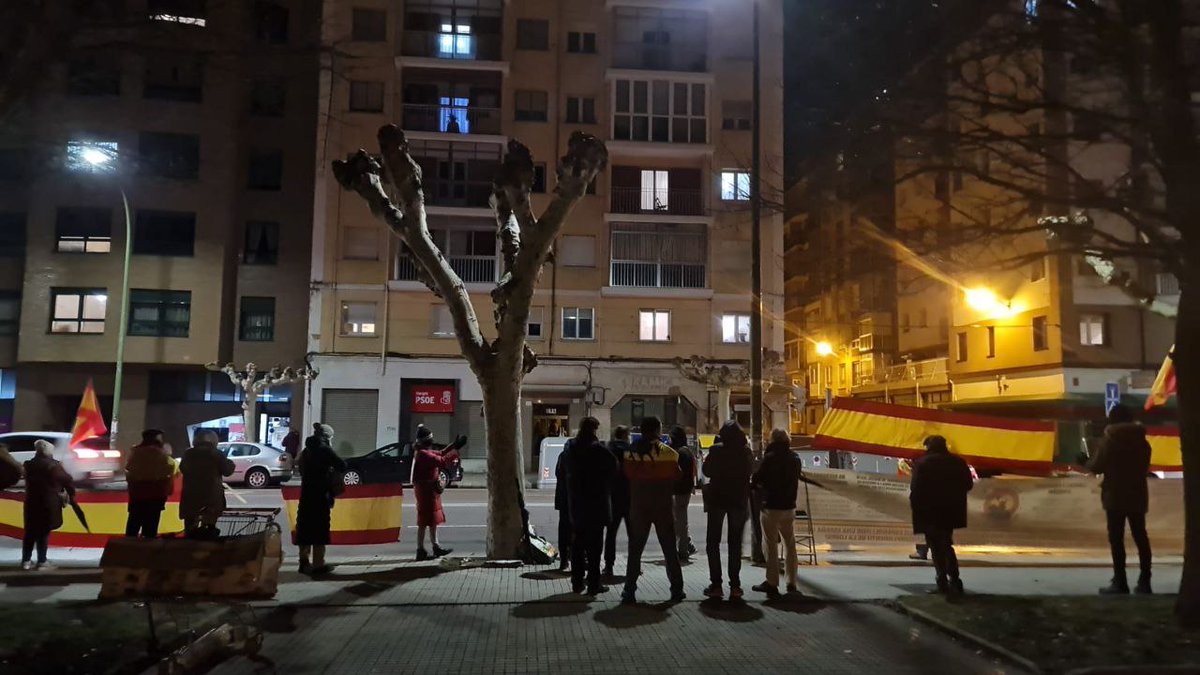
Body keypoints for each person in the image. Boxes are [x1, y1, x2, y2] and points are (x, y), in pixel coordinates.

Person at [1088, 404, 1153, 594]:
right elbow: (1144, 466)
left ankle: (1120, 581)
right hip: (1138, 493)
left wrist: (1085, 460)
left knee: (1116, 539)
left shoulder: (1110, 441)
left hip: (1115, 494)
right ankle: (1145, 581)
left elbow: (1097, 466)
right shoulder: (1143, 442)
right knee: (1140, 536)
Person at [621, 417, 685, 605]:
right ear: (658, 430)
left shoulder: (629, 454)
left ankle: (629, 591)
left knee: (635, 551)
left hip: (639, 507)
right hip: (662, 507)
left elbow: (626, 475)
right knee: (669, 551)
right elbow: (678, 476)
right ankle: (677, 590)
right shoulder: (670, 454)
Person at [909, 435, 974, 598]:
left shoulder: (923, 463)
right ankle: (955, 581)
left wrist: (917, 507)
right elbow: (968, 484)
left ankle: (943, 582)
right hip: (951, 511)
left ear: (929, 447)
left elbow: (915, 488)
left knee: (936, 547)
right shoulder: (958, 462)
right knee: (946, 544)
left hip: (930, 511)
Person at [562, 417, 618, 595]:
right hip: (596, 505)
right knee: (594, 549)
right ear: (594, 430)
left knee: (578, 545)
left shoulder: (570, 448)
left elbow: (563, 471)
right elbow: (614, 468)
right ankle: (594, 584)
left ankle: (577, 582)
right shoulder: (599, 450)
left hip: (577, 505)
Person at [701, 420, 753, 600]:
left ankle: (716, 585)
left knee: (713, 542)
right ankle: (735, 586)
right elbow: (749, 471)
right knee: (735, 543)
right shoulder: (746, 452)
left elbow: (706, 471)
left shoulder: (716, 450)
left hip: (717, 499)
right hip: (738, 501)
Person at [751, 429, 803, 597]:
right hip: (789, 507)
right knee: (790, 544)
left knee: (770, 545)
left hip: (771, 507)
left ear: (772, 439)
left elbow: (758, 479)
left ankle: (772, 583)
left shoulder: (770, 458)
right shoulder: (795, 459)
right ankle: (792, 582)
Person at [296, 424, 346, 575]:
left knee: (304, 528)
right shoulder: (325, 450)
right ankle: (318, 564)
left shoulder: (306, 451)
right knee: (320, 528)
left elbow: (300, 467)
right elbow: (342, 465)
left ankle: (303, 562)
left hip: (306, 494)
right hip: (320, 494)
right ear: (326, 437)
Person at [22, 440, 74, 570]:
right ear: (49, 451)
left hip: (31, 502)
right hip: (48, 503)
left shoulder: (28, 465)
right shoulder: (54, 466)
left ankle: (26, 562)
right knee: (43, 533)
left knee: (30, 532)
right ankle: (42, 561)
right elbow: (67, 479)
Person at [412, 426, 458, 560]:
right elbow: (442, 460)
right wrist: (455, 450)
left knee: (431, 520)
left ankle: (434, 546)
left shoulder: (422, 451)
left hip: (429, 490)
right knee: (425, 520)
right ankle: (421, 549)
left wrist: (452, 446)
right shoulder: (423, 454)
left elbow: (440, 453)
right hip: (427, 491)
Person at [179, 430, 235, 535]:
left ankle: (188, 545)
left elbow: (182, 468)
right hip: (211, 497)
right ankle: (207, 545)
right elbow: (227, 471)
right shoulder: (216, 453)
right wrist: (230, 463)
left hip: (191, 496)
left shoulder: (188, 454)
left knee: (190, 527)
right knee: (209, 527)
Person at [124, 429, 175, 539]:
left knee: (134, 521)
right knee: (151, 523)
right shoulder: (160, 452)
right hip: (156, 492)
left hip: (137, 491)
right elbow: (167, 471)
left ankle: (128, 547)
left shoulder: (136, 451)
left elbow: (129, 469)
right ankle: (147, 548)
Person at [603, 426, 633, 579]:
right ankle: (634, 566)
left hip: (613, 497)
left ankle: (609, 566)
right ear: (626, 435)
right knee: (633, 535)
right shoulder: (630, 450)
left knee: (611, 534)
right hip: (629, 497)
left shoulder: (608, 450)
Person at [670, 426, 697, 562]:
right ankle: (684, 547)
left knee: (676, 521)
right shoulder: (687, 451)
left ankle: (683, 548)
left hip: (676, 490)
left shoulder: (676, 452)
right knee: (682, 519)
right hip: (685, 490)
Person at [554, 448, 572, 573]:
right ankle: (574, 560)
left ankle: (564, 560)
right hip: (575, 500)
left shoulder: (562, 455)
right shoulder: (578, 455)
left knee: (563, 530)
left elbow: (557, 473)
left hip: (563, 498)